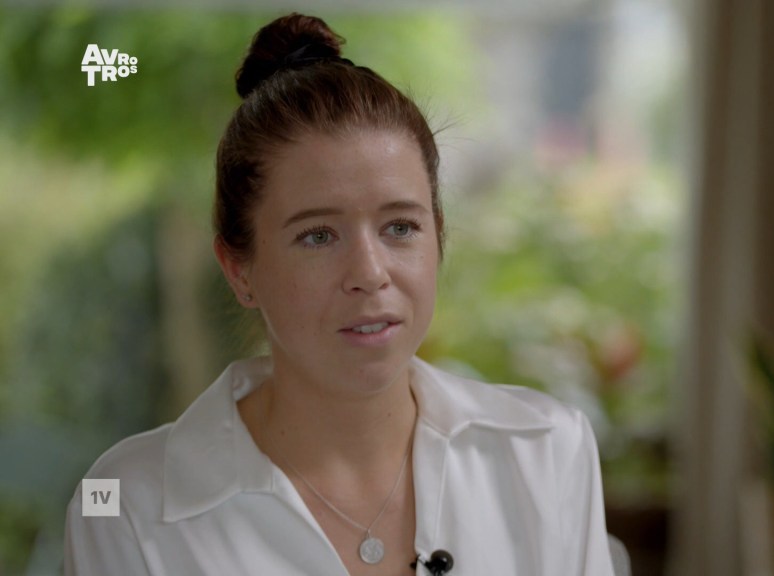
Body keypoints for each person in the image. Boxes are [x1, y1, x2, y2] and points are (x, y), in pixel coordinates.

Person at [64, 13, 615, 576]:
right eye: (318, 236)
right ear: (239, 269)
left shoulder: (548, 450)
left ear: (439, 236)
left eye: (400, 227)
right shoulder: (121, 504)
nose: (369, 273)